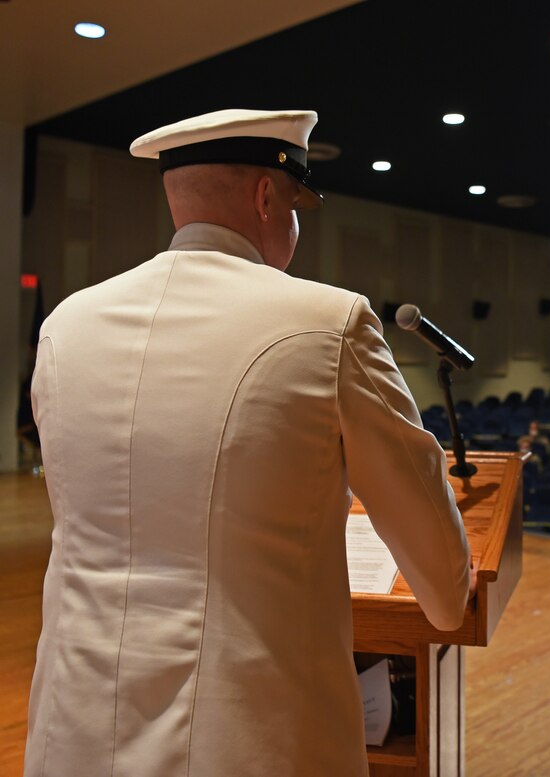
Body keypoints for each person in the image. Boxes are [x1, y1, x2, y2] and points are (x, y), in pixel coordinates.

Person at [23, 109, 474, 777]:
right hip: (250, 734)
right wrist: (453, 588)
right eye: (297, 202)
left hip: (76, 725)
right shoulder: (332, 322)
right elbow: (437, 573)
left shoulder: (66, 324)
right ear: (270, 196)